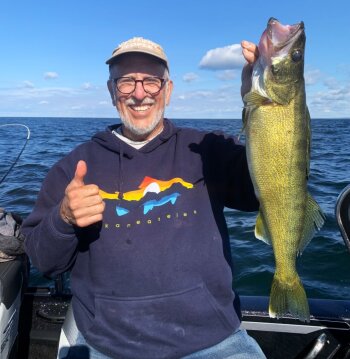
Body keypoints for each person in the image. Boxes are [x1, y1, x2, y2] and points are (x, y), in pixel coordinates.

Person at [21, 37, 266, 359]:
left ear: (168, 89)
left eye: (151, 81)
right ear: (112, 92)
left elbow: (266, 193)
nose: (139, 94)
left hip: (217, 341)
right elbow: (45, 262)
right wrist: (62, 219)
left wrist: (260, 104)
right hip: (108, 344)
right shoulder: (73, 166)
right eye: (127, 82)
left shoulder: (208, 149)